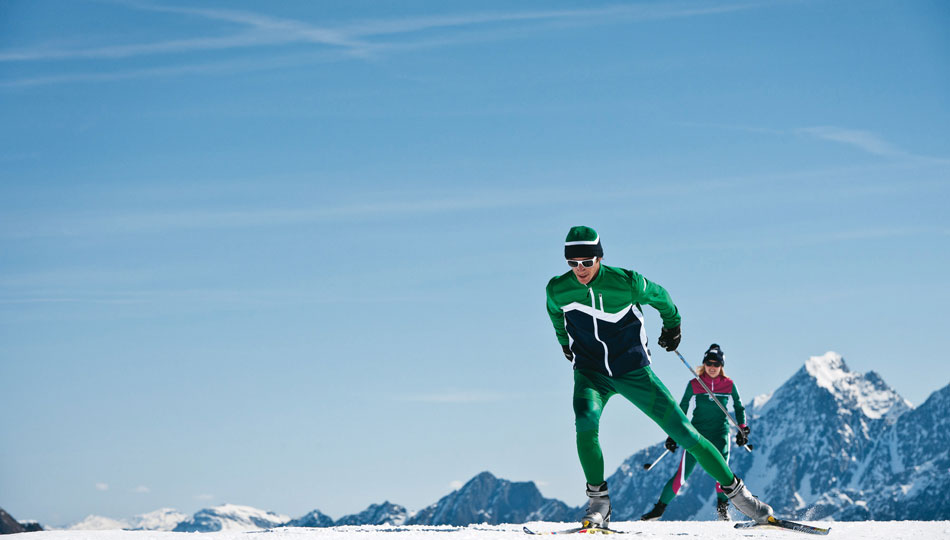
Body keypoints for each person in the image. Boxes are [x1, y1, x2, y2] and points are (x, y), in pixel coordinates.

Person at [545, 226, 772, 529]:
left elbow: (662, 297)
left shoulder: (627, 283)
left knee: (686, 434)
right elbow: (555, 314)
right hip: (591, 372)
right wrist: (564, 343)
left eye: (586, 262)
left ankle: (742, 498)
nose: (580, 269)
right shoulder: (558, 288)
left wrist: (672, 327)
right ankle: (599, 503)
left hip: (634, 372)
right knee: (585, 422)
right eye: (572, 263)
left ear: (599, 257)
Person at [640, 344, 751, 521]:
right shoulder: (695, 383)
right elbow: (681, 408)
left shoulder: (729, 385)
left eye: (716, 364)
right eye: (709, 364)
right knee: (682, 475)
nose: (712, 368)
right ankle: (659, 509)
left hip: (720, 434)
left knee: (723, 473)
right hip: (697, 434)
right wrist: (674, 433)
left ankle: (722, 509)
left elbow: (738, 406)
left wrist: (742, 428)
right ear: (704, 364)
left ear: (721, 366)